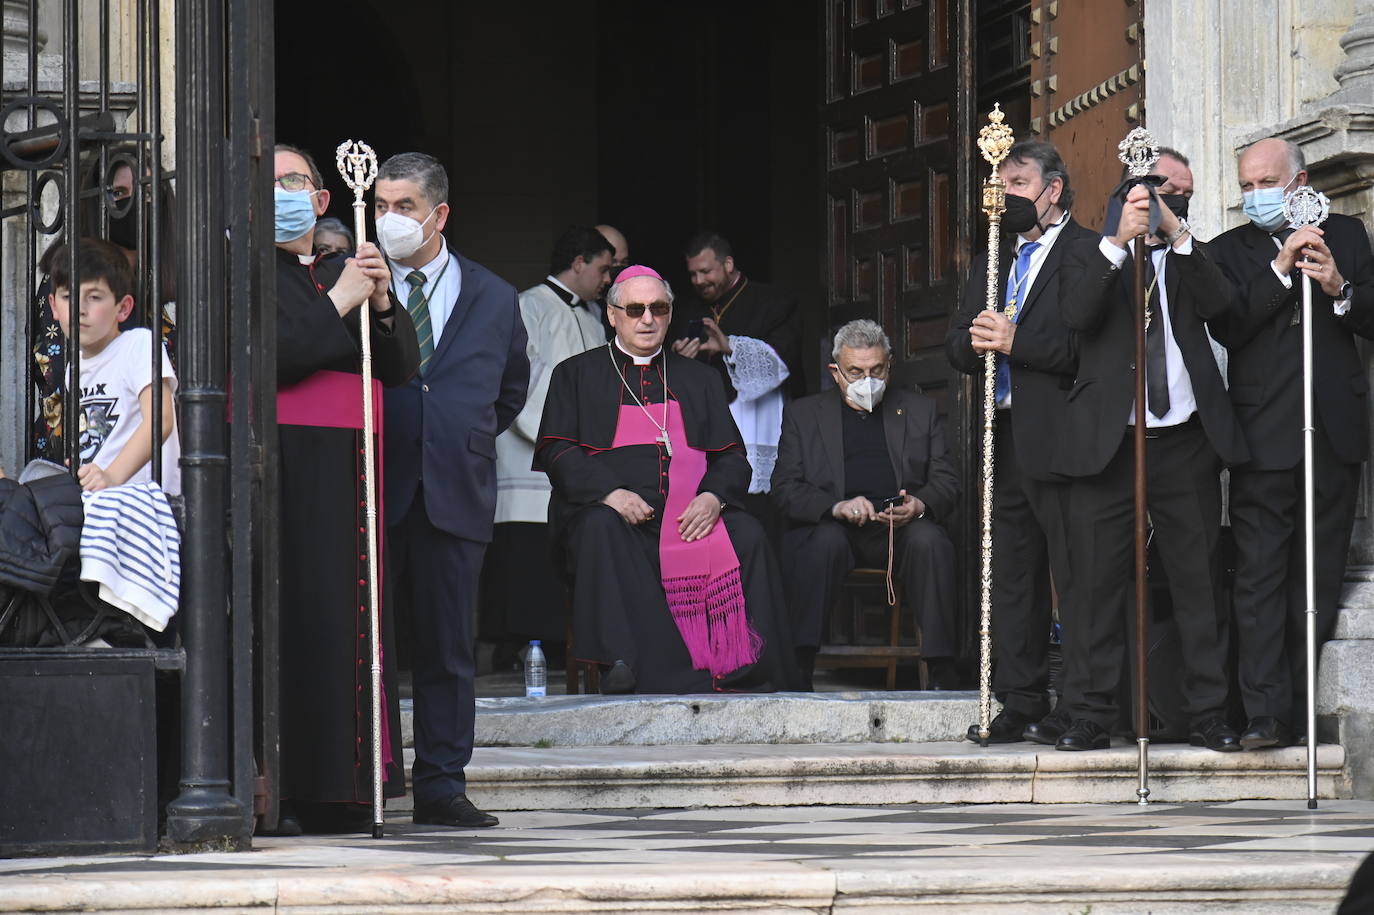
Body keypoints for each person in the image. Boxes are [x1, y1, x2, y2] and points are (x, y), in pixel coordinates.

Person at [1052, 149, 1247, 752]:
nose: (1173, 198)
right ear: (1130, 189)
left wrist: (1177, 234)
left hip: (1184, 442)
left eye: (1184, 192)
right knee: (1097, 585)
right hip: (1112, 445)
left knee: (1198, 584)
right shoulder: (1089, 252)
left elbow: (1226, 311)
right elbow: (1076, 318)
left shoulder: (1195, 254)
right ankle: (1088, 712)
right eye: (1164, 188)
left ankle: (1209, 711)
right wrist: (1118, 244)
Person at [534, 265, 800, 694]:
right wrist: (608, 494)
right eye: (635, 308)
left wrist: (714, 497)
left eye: (658, 308)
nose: (647, 319)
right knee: (600, 529)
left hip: (688, 516)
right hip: (617, 517)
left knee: (747, 532)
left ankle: (745, 665)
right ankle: (624, 664)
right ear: (612, 314)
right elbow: (557, 450)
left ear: (670, 314)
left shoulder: (700, 377)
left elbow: (731, 456)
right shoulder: (576, 374)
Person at [375, 152, 530, 829]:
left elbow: (510, 391)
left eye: (404, 207)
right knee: (369, 644)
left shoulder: (494, 295)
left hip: (455, 487)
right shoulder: (361, 282)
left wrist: (457, 434)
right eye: (381, 205)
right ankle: (366, 780)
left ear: (439, 214)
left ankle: (441, 781)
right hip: (377, 482)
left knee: (447, 647)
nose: (390, 220)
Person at [1208, 137, 1374, 748]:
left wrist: (1338, 286)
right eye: (1247, 185)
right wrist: (1280, 268)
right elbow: (1228, 323)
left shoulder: (1349, 235)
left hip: (1332, 429)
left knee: (1320, 576)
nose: (1256, 195)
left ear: (1300, 182)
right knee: (1259, 578)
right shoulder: (1228, 251)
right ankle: (1264, 713)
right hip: (1263, 437)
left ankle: (1303, 710)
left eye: (1266, 183)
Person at [271, 143, 418, 833]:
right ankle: (298, 789)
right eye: (270, 183)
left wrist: (382, 301)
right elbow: (285, 352)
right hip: (289, 471)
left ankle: (358, 786)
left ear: (323, 199)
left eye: (294, 179)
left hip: (353, 465)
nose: (284, 192)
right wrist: (341, 299)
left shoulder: (341, 266)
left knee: (356, 617)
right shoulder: (248, 273)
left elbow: (397, 364)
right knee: (302, 619)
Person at [944, 139, 1097, 744]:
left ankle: (1082, 704)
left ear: (1052, 190)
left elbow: (1087, 354)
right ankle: (1021, 698)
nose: (1003, 199)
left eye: (1015, 186)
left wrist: (1015, 342)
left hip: (1063, 439)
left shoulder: (1088, 254)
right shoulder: (991, 256)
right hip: (1000, 439)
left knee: (1073, 572)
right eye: (998, 188)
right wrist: (978, 341)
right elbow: (956, 344)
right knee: (1012, 575)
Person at [772, 319, 959, 689]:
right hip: (836, 527)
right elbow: (785, 489)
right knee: (822, 542)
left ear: (889, 364)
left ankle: (941, 669)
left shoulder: (919, 410)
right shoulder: (803, 415)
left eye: (876, 370)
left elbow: (947, 481)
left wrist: (919, 505)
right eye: (855, 371)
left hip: (899, 529)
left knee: (931, 541)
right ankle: (800, 664)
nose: (867, 380)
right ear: (835, 371)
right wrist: (835, 507)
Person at [484, 226, 614, 665]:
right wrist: (563, 433)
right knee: (526, 554)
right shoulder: (527, 306)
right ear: (578, 263)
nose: (608, 279)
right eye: (603, 268)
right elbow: (521, 379)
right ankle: (519, 646)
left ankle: (562, 646)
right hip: (530, 454)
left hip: (580, 456)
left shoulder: (597, 317)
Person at [31, 145, 179, 464]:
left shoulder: (166, 282)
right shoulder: (69, 279)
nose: (136, 202)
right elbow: (60, 385)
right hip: (88, 460)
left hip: (158, 465)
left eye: (147, 191)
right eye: (119, 193)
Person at [670, 232, 803, 532]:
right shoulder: (688, 310)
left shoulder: (775, 301)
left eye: (706, 271)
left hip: (759, 420)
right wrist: (679, 360)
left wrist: (730, 345)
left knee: (761, 514)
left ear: (728, 264)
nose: (699, 280)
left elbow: (785, 359)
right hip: (709, 427)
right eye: (693, 274)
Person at [46, 239, 178, 494]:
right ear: (54, 306)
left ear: (124, 308)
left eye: (94, 297)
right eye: (67, 297)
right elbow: (100, 431)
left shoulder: (139, 345)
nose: (79, 309)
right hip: (105, 502)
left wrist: (111, 475)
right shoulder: (75, 368)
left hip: (146, 502)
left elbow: (160, 420)